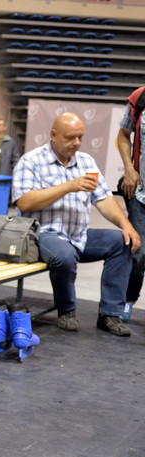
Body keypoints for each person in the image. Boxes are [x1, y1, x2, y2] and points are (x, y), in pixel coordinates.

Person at [13, 111, 140, 336]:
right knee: (64, 255)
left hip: (79, 235)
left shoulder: (86, 162)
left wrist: (126, 225)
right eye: (71, 137)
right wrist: (68, 186)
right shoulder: (31, 161)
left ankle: (110, 313)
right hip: (44, 235)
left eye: (80, 137)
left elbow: (103, 198)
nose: (77, 143)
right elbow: (24, 201)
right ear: (53, 135)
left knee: (123, 242)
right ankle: (67, 310)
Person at [115, 89, 145, 324]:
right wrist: (129, 169)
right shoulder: (140, 97)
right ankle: (128, 300)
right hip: (140, 193)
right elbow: (124, 136)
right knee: (139, 250)